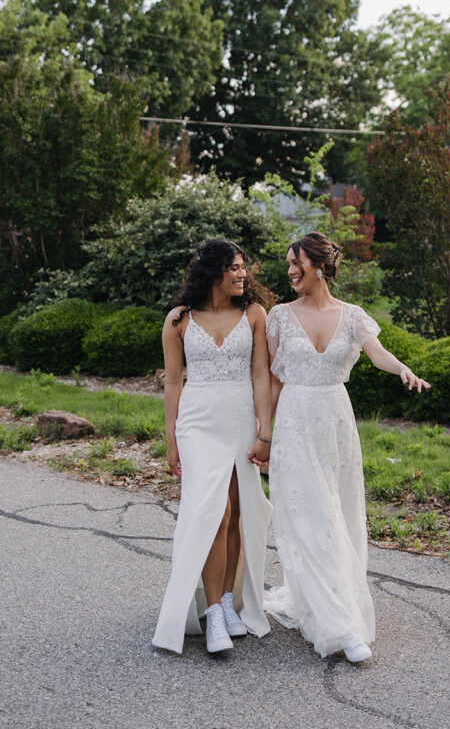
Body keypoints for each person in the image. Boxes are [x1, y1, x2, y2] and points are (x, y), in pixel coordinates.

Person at [264, 232, 430, 663]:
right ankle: (341, 628)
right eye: (287, 264)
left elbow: (378, 354)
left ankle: (336, 603)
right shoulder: (278, 316)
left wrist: (402, 369)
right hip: (295, 422)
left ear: (319, 265)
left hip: (336, 423)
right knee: (310, 515)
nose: (290, 271)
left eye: (296, 262)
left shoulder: (353, 315)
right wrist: (263, 432)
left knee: (338, 513)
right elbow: (271, 379)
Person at [152, 239, 273, 654]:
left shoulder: (254, 314)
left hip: (241, 417)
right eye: (234, 268)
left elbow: (261, 375)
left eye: (243, 267)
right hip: (198, 421)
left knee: (238, 513)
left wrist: (265, 430)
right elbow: (172, 383)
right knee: (214, 514)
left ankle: (226, 601)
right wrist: (171, 440)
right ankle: (215, 617)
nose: (242, 274)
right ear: (213, 272)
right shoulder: (178, 320)